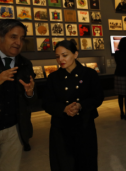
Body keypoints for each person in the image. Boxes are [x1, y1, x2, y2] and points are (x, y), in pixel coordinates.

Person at [42, 39, 104, 171]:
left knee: (86, 161)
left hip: (84, 125)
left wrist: (81, 105)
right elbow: (47, 103)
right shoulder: (53, 77)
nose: (60, 60)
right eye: (57, 56)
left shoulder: (89, 74)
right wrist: (63, 109)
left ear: (76, 54)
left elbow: (98, 97)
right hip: (60, 127)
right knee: (64, 163)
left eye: (65, 55)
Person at [0, 19, 36, 170]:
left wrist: (30, 93)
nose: (18, 42)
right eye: (13, 37)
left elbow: (31, 99)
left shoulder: (25, 63)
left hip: (15, 128)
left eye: (21, 39)